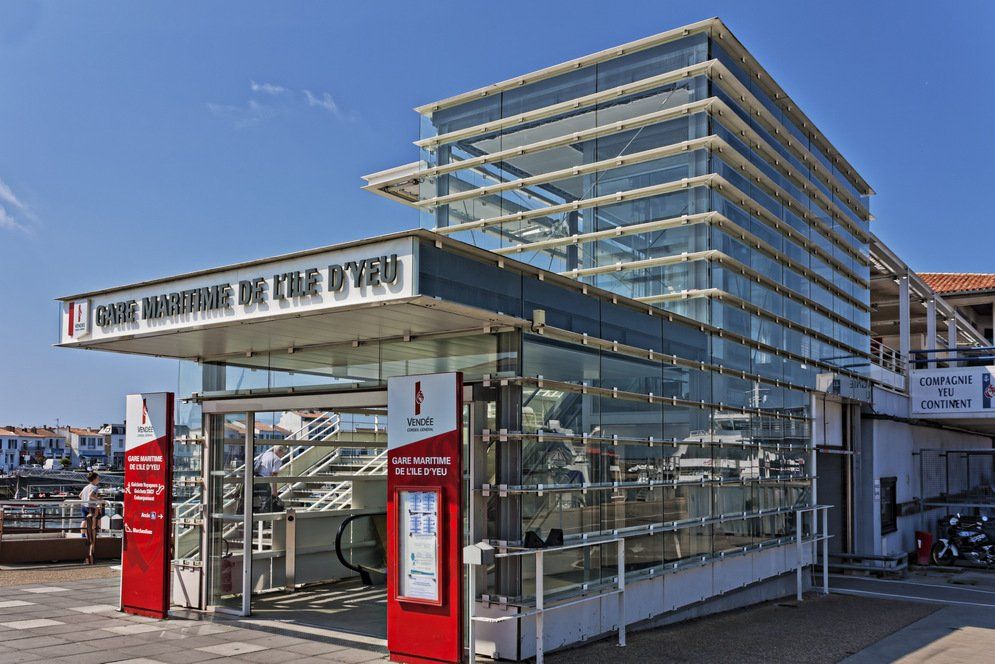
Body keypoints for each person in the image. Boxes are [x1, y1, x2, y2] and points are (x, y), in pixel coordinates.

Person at [253, 445, 287, 512]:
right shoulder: (277, 460)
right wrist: (275, 492)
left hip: (255, 479)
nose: (283, 455)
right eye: (283, 453)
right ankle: (263, 518)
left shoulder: (265, 454)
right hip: (263, 481)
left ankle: (255, 516)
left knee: (255, 501)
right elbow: (274, 477)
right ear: (279, 451)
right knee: (267, 502)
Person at [79, 472, 101, 537]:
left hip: (83, 506)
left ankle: (83, 535)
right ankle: (94, 533)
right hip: (91, 506)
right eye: (98, 478)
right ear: (94, 479)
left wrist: (85, 499)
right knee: (97, 518)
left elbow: (80, 495)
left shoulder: (86, 487)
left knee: (84, 520)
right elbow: (91, 495)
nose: (99, 479)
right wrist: (98, 499)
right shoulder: (95, 487)